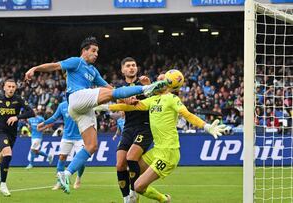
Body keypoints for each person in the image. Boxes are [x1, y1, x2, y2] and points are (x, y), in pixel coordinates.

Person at [24, 36, 170, 194]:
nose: (96, 54)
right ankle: (146, 89)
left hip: (81, 109)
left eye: (97, 52)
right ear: (84, 51)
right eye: (93, 51)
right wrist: (35, 69)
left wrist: (126, 99)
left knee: (92, 146)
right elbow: (55, 66)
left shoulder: (93, 71)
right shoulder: (76, 61)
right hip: (76, 97)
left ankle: (65, 174)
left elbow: (109, 87)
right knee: (111, 93)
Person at [105, 70, 229, 203]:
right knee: (132, 173)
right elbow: (131, 107)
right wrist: (106, 107)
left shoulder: (172, 99)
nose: (159, 82)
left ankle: (163, 199)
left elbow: (187, 114)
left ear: (169, 84)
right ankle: (133, 198)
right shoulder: (153, 100)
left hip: (168, 153)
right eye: (158, 80)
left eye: (162, 80)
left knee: (138, 186)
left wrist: (206, 126)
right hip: (157, 150)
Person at [114, 57, 154, 203]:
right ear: (123, 70)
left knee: (131, 157)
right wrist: (125, 100)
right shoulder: (120, 89)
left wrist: (150, 86)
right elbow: (119, 103)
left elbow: (155, 100)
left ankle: (133, 192)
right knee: (120, 164)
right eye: (128, 66)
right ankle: (126, 199)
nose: (131, 68)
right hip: (128, 128)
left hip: (144, 126)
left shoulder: (143, 83)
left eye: (134, 65)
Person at [37, 100, 85, 190]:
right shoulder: (62, 105)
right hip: (67, 136)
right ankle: (59, 182)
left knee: (81, 160)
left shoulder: (81, 102)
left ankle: (78, 178)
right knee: (62, 157)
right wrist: (43, 123)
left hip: (80, 137)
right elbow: (54, 118)